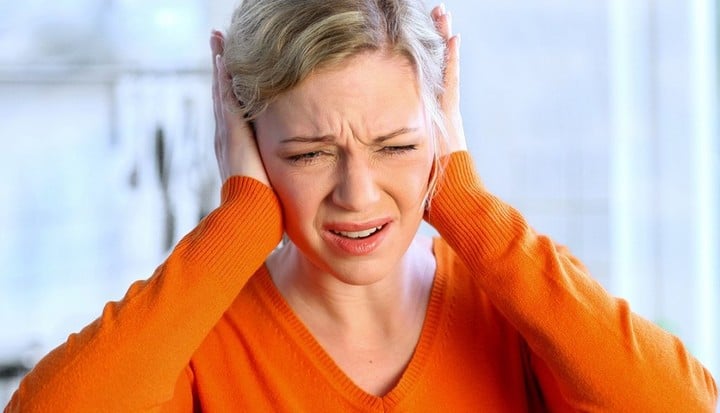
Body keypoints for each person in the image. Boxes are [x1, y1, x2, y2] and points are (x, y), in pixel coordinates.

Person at [5, 0, 718, 411]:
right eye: (309, 154)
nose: (358, 194)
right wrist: (240, 222)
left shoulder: (517, 303)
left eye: (397, 146)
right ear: (243, 138)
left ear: (442, 125)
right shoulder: (200, 337)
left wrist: (464, 201)